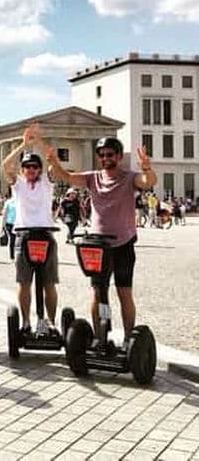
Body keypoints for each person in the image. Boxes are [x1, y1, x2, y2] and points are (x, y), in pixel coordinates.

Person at [46, 136, 155, 346]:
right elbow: (67, 177)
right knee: (98, 291)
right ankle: (99, 336)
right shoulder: (92, 178)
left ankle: (128, 339)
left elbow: (148, 182)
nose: (106, 158)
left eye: (110, 154)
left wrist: (147, 168)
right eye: (102, 155)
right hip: (97, 245)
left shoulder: (130, 177)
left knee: (124, 292)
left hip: (123, 243)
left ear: (119, 156)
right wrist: (54, 163)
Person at [1, 123, 59, 334]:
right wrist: (23, 145)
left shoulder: (46, 182)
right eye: (27, 167)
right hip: (24, 235)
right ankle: (26, 321)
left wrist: (38, 142)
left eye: (35, 167)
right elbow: (5, 165)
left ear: (40, 169)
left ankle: (51, 322)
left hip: (45, 233)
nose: (31, 170)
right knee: (24, 282)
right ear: (23, 170)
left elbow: (53, 160)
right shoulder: (18, 184)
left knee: (49, 283)